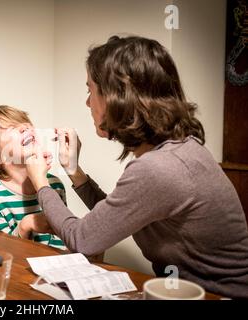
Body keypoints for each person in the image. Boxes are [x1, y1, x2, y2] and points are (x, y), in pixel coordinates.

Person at [25, 36, 248, 299]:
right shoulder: (179, 150)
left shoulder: (159, 167)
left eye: (90, 90)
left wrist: (40, 182)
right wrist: (74, 170)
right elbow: (110, 219)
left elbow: (83, 239)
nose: (88, 103)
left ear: (116, 96)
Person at [0, 105, 66, 250]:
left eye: (25, 122)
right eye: (11, 127)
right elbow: (2, 253)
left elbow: (63, 239)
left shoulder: (55, 184)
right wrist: (25, 226)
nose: (25, 127)